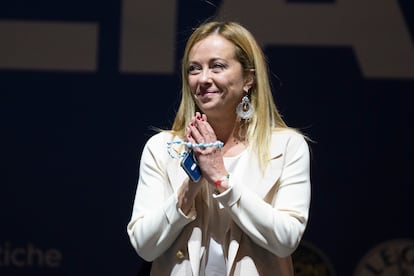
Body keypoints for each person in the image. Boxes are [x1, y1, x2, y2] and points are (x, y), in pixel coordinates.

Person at [127, 21, 311, 276]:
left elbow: (286, 240)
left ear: (249, 77)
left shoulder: (287, 146)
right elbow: (144, 247)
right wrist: (188, 189)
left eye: (217, 66)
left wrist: (221, 179)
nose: (203, 79)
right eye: (194, 69)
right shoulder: (161, 148)